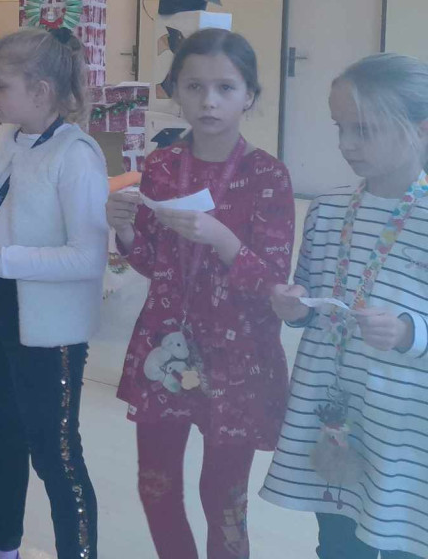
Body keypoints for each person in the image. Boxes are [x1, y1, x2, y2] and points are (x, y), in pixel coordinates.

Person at [108, 28, 295, 559]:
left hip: (238, 355)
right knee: (156, 485)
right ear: (176, 92)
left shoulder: (267, 175)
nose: (209, 101)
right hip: (166, 347)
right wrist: (124, 230)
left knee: (223, 496)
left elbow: (273, 280)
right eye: (194, 86)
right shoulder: (163, 166)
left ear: (249, 95)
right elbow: (152, 262)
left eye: (225, 88)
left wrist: (222, 239)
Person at [0, 26, 108, 559]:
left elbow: (88, 258)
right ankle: (2, 545)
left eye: (0, 85)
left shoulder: (76, 156)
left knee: (55, 453)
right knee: (2, 432)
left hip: (47, 330)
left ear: (41, 91)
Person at [262, 53, 428, 559]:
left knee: (399, 538)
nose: (346, 144)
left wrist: (407, 333)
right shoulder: (329, 208)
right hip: (332, 411)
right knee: (336, 543)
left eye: (364, 129)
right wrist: (296, 307)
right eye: (340, 127)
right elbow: (314, 298)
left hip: (402, 422)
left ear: (421, 129)